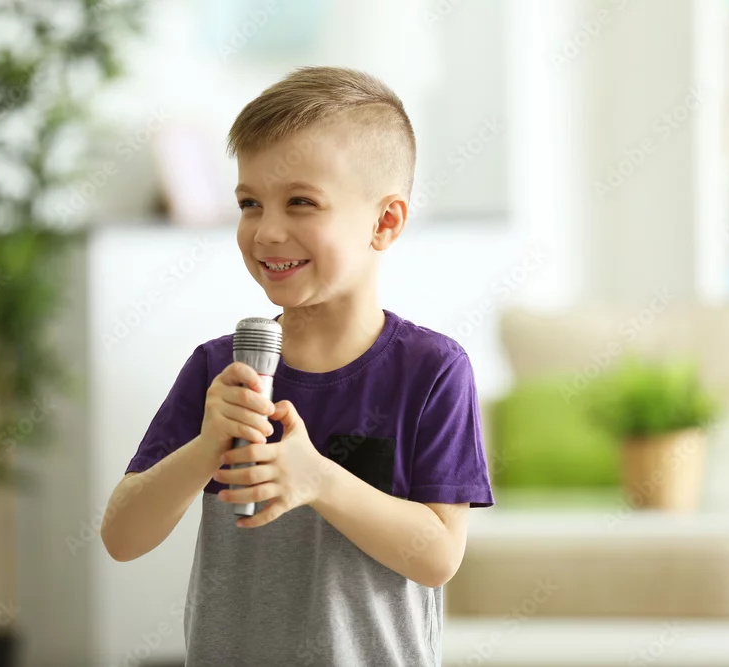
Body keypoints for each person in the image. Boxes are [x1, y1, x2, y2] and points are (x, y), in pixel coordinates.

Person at [100, 65, 495, 667]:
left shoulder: (432, 371)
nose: (267, 232)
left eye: (301, 203)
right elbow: (122, 537)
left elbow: (438, 556)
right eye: (250, 203)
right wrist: (206, 448)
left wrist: (319, 480)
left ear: (385, 222)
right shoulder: (219, 368)